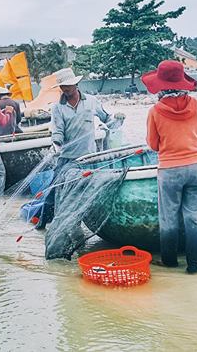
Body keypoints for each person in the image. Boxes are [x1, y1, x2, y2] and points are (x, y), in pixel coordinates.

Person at [41, 68, 122, 258]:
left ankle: (82, 224)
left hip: (88, 158)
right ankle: (43, 222)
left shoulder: (91, 102)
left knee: (84, 192)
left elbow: (107, 118)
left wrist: (117, 119)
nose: (65, 89)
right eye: (62, 86)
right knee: (55, 191)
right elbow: (58, 131)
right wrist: (58, 144)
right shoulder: (57, 107)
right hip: (67, 158)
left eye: (68, 85)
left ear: (76, 84)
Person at [143, 60, 197, 274]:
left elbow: (153, 145)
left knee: (168, 218)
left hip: (170, 169)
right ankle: (194, 265)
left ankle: (170, 261)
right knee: (193, 218)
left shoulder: (155, 111)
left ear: (160, 86)